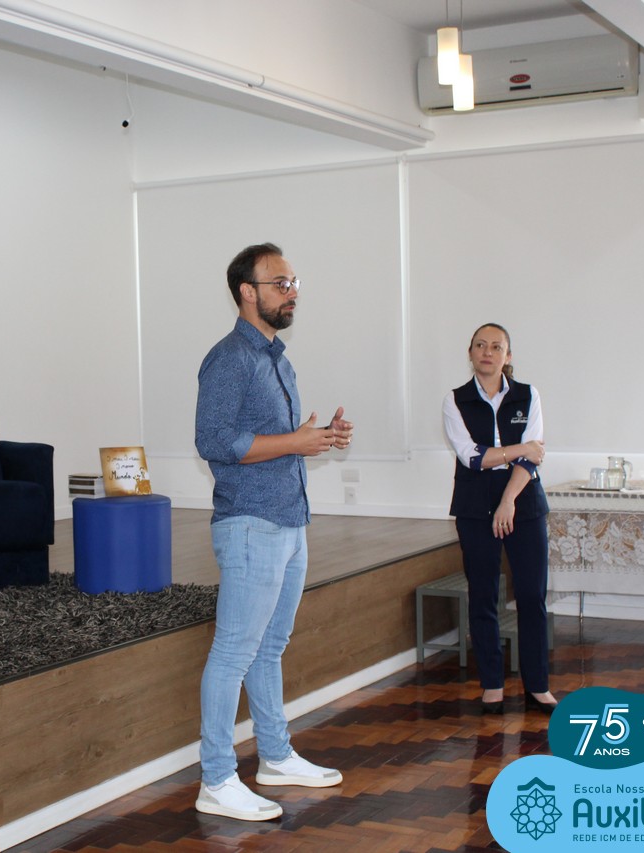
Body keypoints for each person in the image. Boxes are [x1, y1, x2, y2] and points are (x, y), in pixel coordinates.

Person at [193, 242, 353, 821]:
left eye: (293, 283)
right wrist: (294, 442)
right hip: (249, 524)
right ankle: (216, 779)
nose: (292, 293)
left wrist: (317, 437)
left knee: (270, 648)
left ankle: (276, 756)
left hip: (289, 519)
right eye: (280, 284)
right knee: (234, 652)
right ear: (247, 292)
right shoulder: (228, 359)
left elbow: (275, 443)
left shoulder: (278, 360)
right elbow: (214, 442)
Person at [442, 322, 557, 716]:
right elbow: (472, 457)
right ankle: (492, 684)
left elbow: (533, 458)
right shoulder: (455, 400)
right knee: (483, 595)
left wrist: (509, 499)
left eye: (496, 346)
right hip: (474, 506)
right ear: (470, 353)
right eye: (480, 345)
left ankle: (538, 685)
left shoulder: (528, 395)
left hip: (522, 500)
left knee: (531, 597)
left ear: (508, 356)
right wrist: (519, 448)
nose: (487, 352)